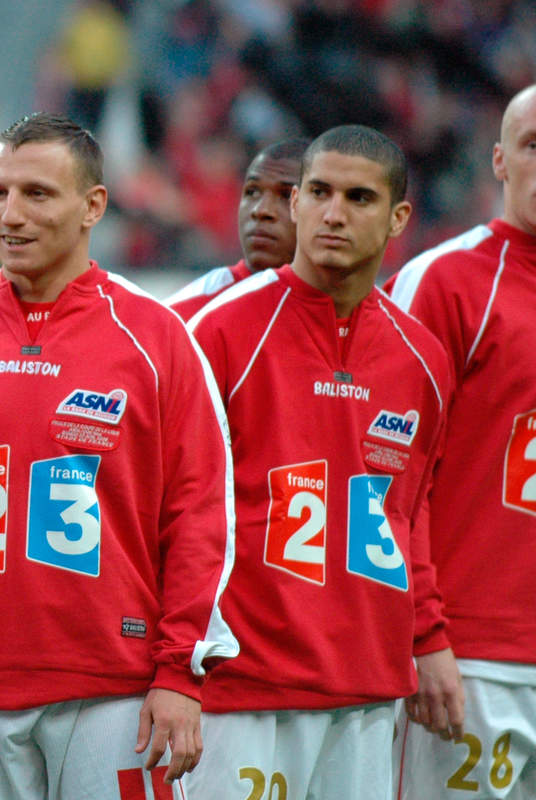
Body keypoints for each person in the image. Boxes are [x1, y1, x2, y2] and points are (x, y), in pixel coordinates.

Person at [0, 113, 238, 800]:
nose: (10, 215)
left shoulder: (157, 338)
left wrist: (180, 672)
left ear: (93, 207)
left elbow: (201, 514)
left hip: (114, 687)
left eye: (37, 194)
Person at [181, 125, 464, 800]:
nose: (334, 213)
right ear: (300, 204)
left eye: (359, 197)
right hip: (240, 689)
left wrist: (427, 636)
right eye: (319, 192)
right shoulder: (218, 331)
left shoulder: (423, 357)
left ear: (399, 218)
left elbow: (407, 513)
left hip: (367, 690)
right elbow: (171, 508)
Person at [388, 85, 536, 798]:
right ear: (500, 161)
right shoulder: (444, 282)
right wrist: (422, 633)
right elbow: (387, 480)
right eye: (535, 145)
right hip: (473, 663)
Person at [166, 137, 309, 321]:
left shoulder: (352, 310)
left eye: (286, 195)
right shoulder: (180, 318)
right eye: (252, 192)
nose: (261, 210)